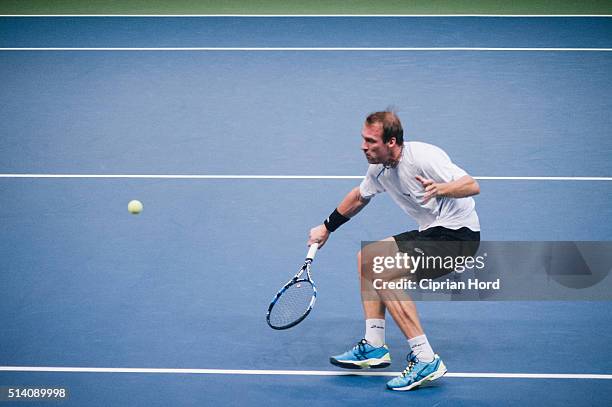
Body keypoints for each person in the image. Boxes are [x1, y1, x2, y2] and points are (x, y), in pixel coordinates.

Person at [308, 111, 480, 391]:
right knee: (367, 259)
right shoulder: (379, 168)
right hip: (434, 233)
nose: (363, 146)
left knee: (385, 271)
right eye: (363, 139)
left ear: (391, 142)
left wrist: (443, 188)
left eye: (370, 141)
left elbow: (472, 185)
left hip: (459, 237)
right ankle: (375, 345)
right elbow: (359, 197)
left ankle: (426, 359)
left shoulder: (424, 156)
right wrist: (327, 227)